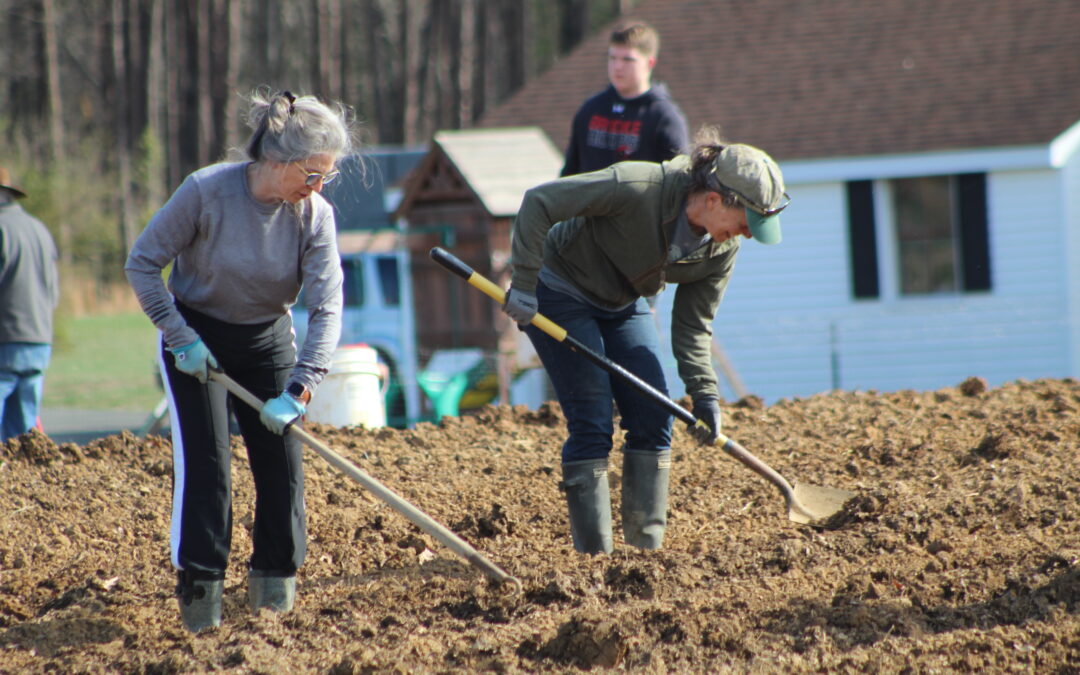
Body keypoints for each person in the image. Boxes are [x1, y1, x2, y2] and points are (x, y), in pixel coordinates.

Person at [125, 89, 355, 632]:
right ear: (278, 161)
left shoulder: (315, 215)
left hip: (268, 340)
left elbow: (327, 307)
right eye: (314, 173)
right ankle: (201, 599)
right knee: (208, 469)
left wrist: (299, 391)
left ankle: (273, 596)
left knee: (282, 468)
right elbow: (142, 265)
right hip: (196, 336)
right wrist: (181, 337)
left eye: (326, 177)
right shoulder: (205, 192)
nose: (318, 187)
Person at [503, 126, 789, 555]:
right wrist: (524, 283)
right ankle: (595, 561)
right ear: (714, 200)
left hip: (623, 299)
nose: (747, 235)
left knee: (655, 416)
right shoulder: (635, 186)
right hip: (562, 289)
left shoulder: (721, 248)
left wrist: (705, 395)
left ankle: (643, 554)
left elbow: (693, 325)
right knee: (593, 421)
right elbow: (539, 202)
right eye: (747, 223)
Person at [561, 21, 689, 177]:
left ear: (650, 63)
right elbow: (569, 174)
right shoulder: (590, 109)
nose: (617, 66)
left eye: (627, 60)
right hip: (591, 201)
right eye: (612, 58)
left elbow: (681, 180)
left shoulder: (663, 117)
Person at [0, 166, 60, 443]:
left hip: (6, 337)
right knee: (25, 435)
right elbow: (53, 291)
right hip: (39, 337)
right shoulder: (39, 228)